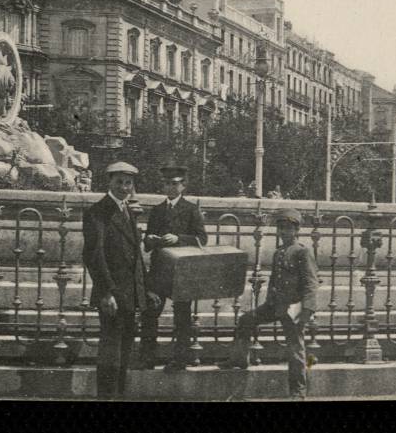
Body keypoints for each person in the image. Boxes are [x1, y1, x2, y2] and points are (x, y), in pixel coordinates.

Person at [218, 208, 319, 400]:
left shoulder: (302, 252)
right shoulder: (279, 253)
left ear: (296, 230)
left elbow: (311, 283)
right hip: (275, 305)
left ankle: (298, 391)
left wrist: (307, 310)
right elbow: (275, 280)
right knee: (246, 320)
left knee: (295, 348)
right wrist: (268, 303)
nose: (283, 232)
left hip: (294, 308)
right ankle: (239, 360)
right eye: (281, 228)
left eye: (288, 229)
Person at [82, 161, 147, 399]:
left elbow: (136, 255)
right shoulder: (98, 212)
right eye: (119, 182)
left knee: (124, 349)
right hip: (113, 294)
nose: (124, 187)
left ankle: (118, 397)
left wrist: (143, 290)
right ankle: (107, 398)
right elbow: (94, 255)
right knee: (111, 349)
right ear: (109, 182)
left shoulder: (127, 210)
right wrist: (106, 292)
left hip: (130, 294)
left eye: (128, 182)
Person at [136, 164, 207, 371]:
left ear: (183, 186)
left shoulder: (192, 210)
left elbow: (202, 239)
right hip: (159, 270)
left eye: (174, 184)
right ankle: (147, 357)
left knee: (182, 315)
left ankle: (180, 359)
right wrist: (150, 239)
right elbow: (148, 245)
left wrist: (178, 238)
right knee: (149, 312)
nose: (170, 187)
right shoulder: (157, 210)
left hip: (182, 270)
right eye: (166, 183)